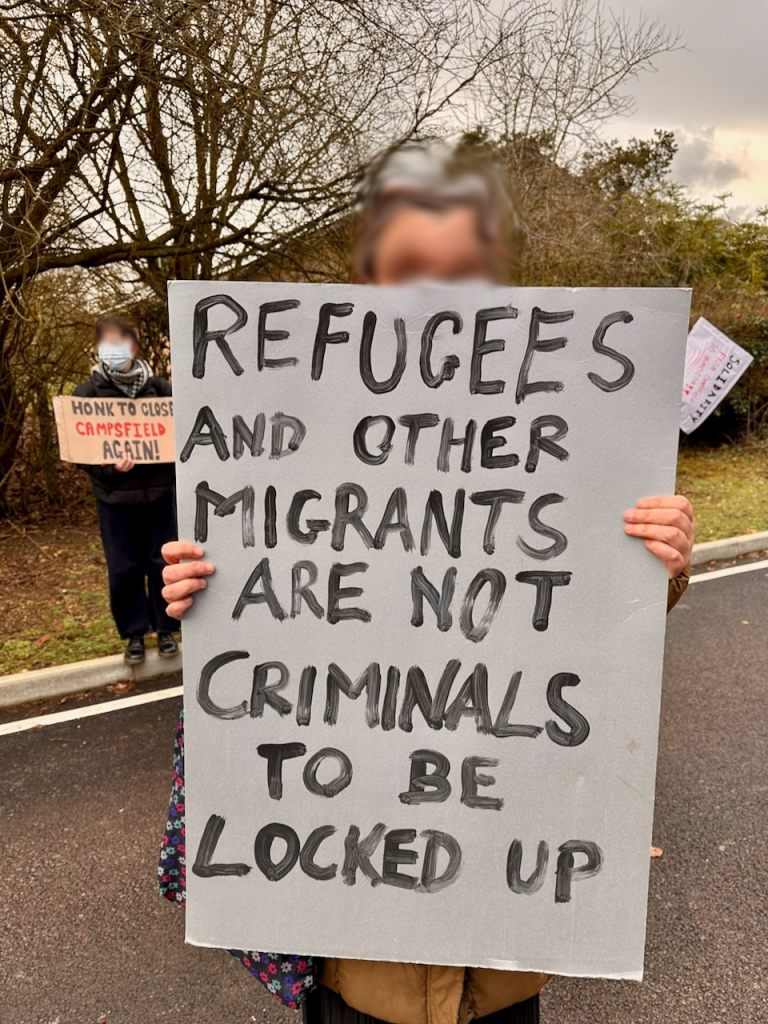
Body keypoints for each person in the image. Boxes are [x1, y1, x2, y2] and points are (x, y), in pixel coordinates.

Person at [160, 143, 694, 1024]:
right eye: (409, 269)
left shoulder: (568, 426)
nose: (434, 296)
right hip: (352, 929)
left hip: (501, 923)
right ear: (364, 280)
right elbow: (259, 641)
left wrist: (658, 563)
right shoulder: (283, 436)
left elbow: (595, 622)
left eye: (460, 271)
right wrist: (197, 591)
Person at [74, 315, 180, 664]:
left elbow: (182, 438)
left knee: (161, 563)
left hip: (161, 495)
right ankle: (134, 634)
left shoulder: (161, 390)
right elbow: (79, 449)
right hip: (113, 499)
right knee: (123, 569)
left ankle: (166, 629)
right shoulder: (87, 394)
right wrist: (106, 464)